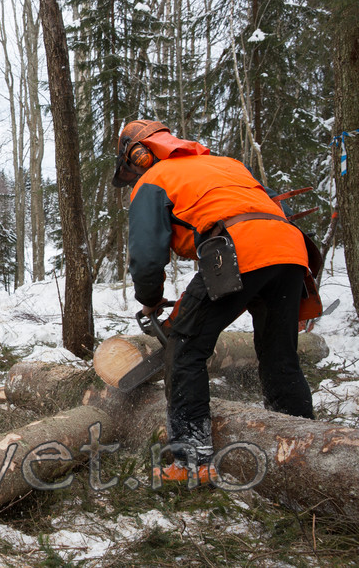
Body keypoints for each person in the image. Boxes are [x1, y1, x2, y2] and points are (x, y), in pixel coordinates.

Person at [113, 120, 318, 484]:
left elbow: (146, 257)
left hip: (237, 247)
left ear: (139, 156)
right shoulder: (228, 164)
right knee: (279, 354)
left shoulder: (153, 180)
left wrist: (151, 299)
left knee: (185, 346)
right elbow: (271, 203)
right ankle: (303, 445)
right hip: (290, 248)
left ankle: (191, 461)